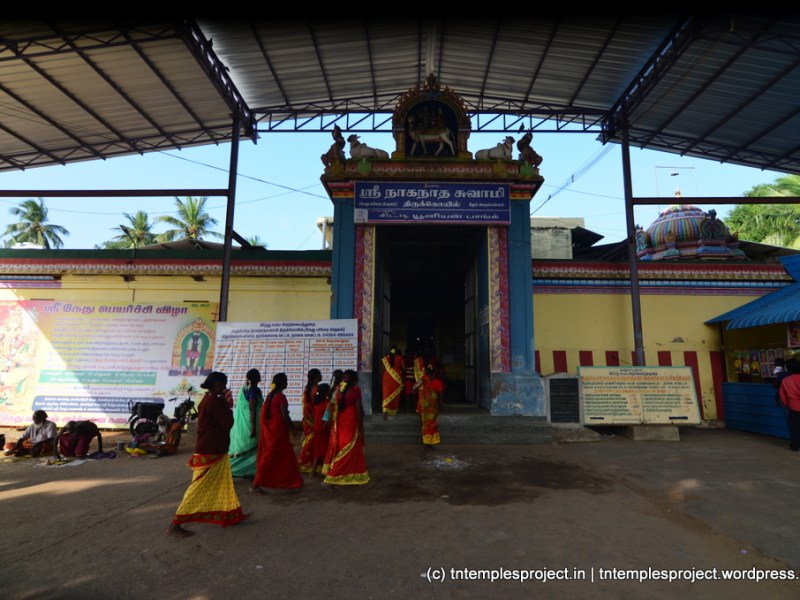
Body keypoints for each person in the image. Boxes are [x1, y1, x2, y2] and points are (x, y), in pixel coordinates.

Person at [167, 371, 245, 538]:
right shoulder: (214, 401)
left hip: (212, 448)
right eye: (223, 384)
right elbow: (228, 423)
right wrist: (227, 405)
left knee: (222, 484)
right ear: (216, 384)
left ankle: (230, 514)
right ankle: (176, 524)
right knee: (198, 486)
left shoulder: (207, 399)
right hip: (211, 449)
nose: (225, 387)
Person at [251, 372, 303, 492]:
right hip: (277, 433)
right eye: (286, 381)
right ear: (283, 383)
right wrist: (293, 428)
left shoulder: (270, 395)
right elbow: (285, 417)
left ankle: (288, 480)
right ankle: (255, 485)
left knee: (283, 456)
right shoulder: (280, 397)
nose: (287, 383)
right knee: (270, 457)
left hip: (272, 432)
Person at [322, 369, 369, 486]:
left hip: (339, 423)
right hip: (350, 422)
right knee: (348, 448)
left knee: (342, 447)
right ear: (354, 380)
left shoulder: (337, 390)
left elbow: (332, 407)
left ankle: (348, 473)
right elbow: (359, 410)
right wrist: (361, 425)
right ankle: (332, 476)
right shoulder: (355, 390)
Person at [229, 368, 264, 478]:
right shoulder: (254, 390)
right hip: (251, 422)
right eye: (258, 375)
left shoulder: (245, 389)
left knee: (246, 445)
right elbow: (252, 409)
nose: (260, 376)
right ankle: (247, 470)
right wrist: (253, 427)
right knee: (252, 444)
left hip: (245, 423)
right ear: (256, 378)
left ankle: (245, 469)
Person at [298, 368, 322, 474]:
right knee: (315, 441)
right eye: (319, 375)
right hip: (315, 419)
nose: (321, 376)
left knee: (309, 440)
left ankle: (308, 462)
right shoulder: (317, 390)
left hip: (307, 420)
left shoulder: (307, 389)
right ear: (316, 378)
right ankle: (310, 463)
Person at [413, 365, 443, 449]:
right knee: (432, 424)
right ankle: (429, 442)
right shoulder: (437, 382)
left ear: (426, 373)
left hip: (423, 406)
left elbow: (414, 388)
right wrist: (440, 405)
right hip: (433, 407)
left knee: (425, 424)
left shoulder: (423, 380)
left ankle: (427, 441)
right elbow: (441, 395)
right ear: (434, 373)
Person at [309, 382, 331, 477]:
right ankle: (326, 472)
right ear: (326, 392)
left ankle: (312, 471)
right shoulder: (327, 403)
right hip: (323, 429)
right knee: (326, 451)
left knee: (318, 452)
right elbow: (326, 418)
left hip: (316, 428)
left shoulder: (316, 403)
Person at [778, 358, 800, 451]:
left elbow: (782, 395)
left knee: (794, 428)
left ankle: (794, 446)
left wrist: (788, 403)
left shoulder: (785, 380)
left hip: (793, 407)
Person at [381, 346, 404, 420]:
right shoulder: (400, 358)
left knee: (386, 394)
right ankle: (393, 410)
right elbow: (404, 368)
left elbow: (382, 370)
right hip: (396, 379)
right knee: (395, 395)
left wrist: (381, 379)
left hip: (386, 379)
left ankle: (385, 411)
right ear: (396, 351)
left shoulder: (385, 358)